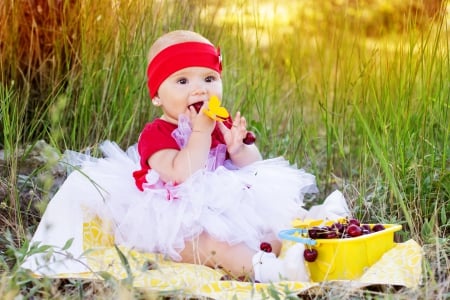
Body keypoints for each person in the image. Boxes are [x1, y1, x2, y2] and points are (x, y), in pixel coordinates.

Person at [22, 30, 346, 283]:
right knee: (211, 245)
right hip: (176, 217)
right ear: (157, 97)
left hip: (226, 203)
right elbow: (180, 172)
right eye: (182, 80)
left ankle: (282, 249)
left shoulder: (217, 121)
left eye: (209, 78)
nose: (200, 89)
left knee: (271, 227)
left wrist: (239, 148)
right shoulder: (156, 135)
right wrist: (201, 132)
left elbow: (254, 167)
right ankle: (270, 271)